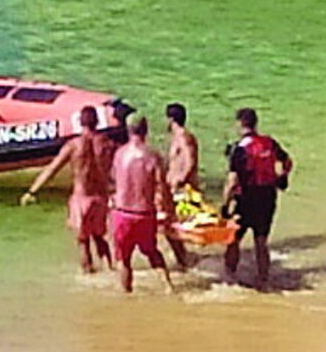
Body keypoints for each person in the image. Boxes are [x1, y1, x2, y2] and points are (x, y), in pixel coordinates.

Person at [22, 106, 113, 273]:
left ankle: (89, 274)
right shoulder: (107, 144)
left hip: (81, 198)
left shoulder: (73, 146)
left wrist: (32, 191)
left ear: (79, 123)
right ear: (97, 122)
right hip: (101, 197)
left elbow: (52, 169)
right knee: (100, 237)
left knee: (83, 241)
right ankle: (111, 269)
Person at [222, 108, 293, 291]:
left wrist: (225, 205)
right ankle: (263, 280)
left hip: (246, 198)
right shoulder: (269, 143)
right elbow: (288, 161)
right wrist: (282, 177)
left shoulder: (240, 149)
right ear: (255, 123)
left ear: (240, 124)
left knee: (233, 239)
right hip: (268, 196)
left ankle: (229, 277)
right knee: (261, 241)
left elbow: (232, 180)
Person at [110, 117, 174, 293]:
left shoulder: (119, 154)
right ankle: (168, 287)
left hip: (122, 214)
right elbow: (162, 186)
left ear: (128, 130)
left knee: (123, 259)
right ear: (146, 130)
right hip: (144, 213)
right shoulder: (152, 156)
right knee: (153, 252)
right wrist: (170, 211)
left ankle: (126, 295)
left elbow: (115, 180)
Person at [163, 102, 198, 269]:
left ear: (170, 119)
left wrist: (181, 181)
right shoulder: (178, 137)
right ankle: (183, 259)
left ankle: (184, 261)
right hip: (175, 189)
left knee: (171, 227)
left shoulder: (184, 137)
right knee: (170, 227)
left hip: (182, 190)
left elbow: (190, 161)